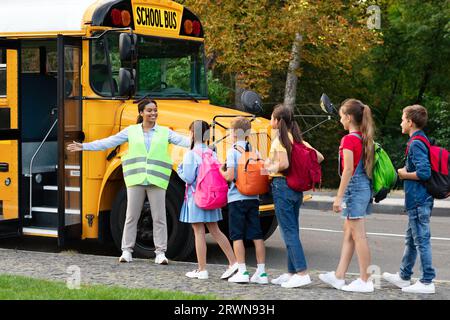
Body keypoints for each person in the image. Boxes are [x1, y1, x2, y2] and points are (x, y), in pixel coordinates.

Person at [67, 98, 190, 264]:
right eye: (149, 110)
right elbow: (108, 142)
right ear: (141, 113)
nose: (153, 113)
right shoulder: (131, 131)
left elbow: (185, 142)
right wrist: (84, 146)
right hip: (136, 179)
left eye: (155, 110)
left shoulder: (165, 132)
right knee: (131, 216)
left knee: (159, 217)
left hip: (156, 180)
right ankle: (127, 251)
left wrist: (202, 143)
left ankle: (160, 253)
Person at [319, 99, 375, 293]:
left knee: (358, 236)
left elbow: (348, 169)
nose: (340, 119)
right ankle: (339, 276)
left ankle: (365, 280)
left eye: (342, 116)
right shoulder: (364, 138)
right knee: (350, 234)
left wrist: (338, 197)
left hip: (354, 189)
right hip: (363, 188)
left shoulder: (349, 140)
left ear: (349, 118)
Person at [265, 105, 324, 289]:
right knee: (291, 230)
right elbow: (319, 157)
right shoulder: (298, 139)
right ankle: (291, 273)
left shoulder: (279, 140)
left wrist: (268, 167)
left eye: (271, 118)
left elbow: (283, 163)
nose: (270, 121)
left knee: (288, 232)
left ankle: (302, 273)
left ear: (277, 121)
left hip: (282, 187)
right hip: (296, 190)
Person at [382, 105, 436, 294]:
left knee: (421, 240)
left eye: (403, 119)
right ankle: (404, 276)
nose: (401, 122)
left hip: (419, 199)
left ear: (410, 122)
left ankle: (427, 281)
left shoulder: (416, 143)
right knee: (412, 240)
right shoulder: (420, 140)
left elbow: (424, 172)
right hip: (418, 199)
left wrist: (404, 174)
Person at [177, 120, 238, 280]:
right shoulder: (212, 153)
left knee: (199, 232)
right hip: (212, 197)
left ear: (191, 134)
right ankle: (233, 262)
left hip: (196, 198)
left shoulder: (191, 154)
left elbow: (189, 178)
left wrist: (179, 169)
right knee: (216, 230)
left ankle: (202, 269)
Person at [219, 117, 268, 284]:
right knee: (257, 234)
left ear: (233, 132)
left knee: (237, 235)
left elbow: (230, 176)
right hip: (253, 198)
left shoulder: (232, 151)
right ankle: (261, 273)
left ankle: (242, 271)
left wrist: (221, 171)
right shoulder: (255, 151)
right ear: (248, 133)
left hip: (237, 198)